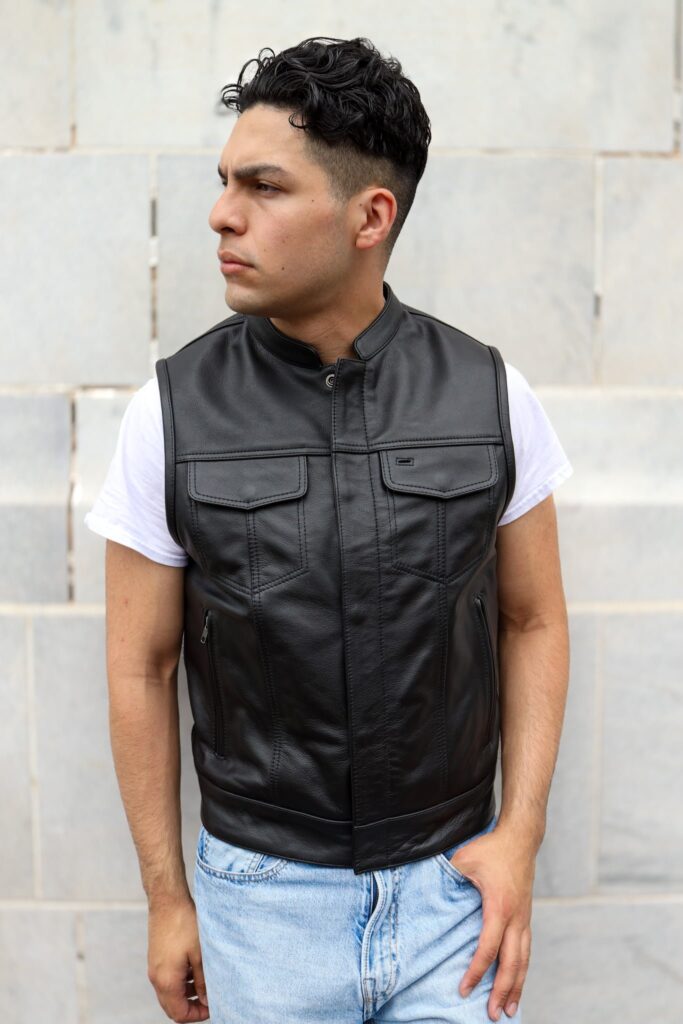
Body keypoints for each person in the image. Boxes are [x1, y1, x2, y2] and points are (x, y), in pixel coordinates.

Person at [85, 35, 573, 1024]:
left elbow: (533, 620)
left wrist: (518, 836)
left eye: (263, 186)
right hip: (259, 906)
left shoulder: (490, 393)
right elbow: (139, 663)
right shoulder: (170, 411)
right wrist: (167, 898)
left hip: (453, 901)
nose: (222, 214)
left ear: (369, 216)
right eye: (225, 182)